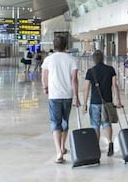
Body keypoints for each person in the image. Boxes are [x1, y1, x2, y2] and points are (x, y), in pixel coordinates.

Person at [41, 36, 80, 164]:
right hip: (67, 95)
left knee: (55, 122)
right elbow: (74, 79)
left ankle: (58, 152)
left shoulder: (48, 59)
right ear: (65, 46)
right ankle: (63, 147)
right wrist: (76, 96)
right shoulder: (71, 59)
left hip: (54, 96)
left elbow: (44, 76)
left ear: (54, 46)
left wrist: (45, 87)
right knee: (65, 121)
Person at [83, 50, 122, 157]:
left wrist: (84, 104)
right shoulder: (110, 69)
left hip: (94, 102)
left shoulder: (90, 71)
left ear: (93, 60)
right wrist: (118, 100)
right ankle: (110, 143)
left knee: (95, 125)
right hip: (107, 101)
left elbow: (86, 88)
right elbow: (115, 86)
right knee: (106, 123)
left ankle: (96, 147)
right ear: (103, 58)